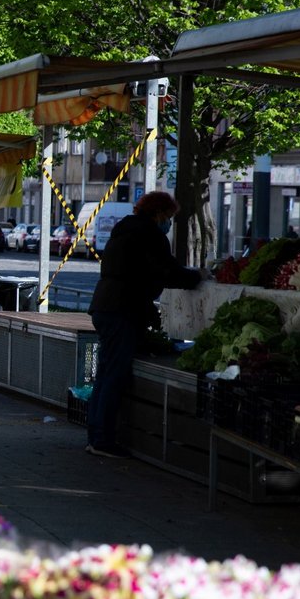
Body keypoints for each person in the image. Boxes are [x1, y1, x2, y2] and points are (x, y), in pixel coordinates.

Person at [86, 191, 207, 458]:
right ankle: (103, 440)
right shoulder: (150, 235)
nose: (170, 222)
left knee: (105, 375)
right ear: (159, 213)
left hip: (105, 306)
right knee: (114, 376)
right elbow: (168, 272)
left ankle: (95, 435)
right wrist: (197, 277)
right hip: (123, 310)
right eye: (169, 217)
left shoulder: (124, 230)